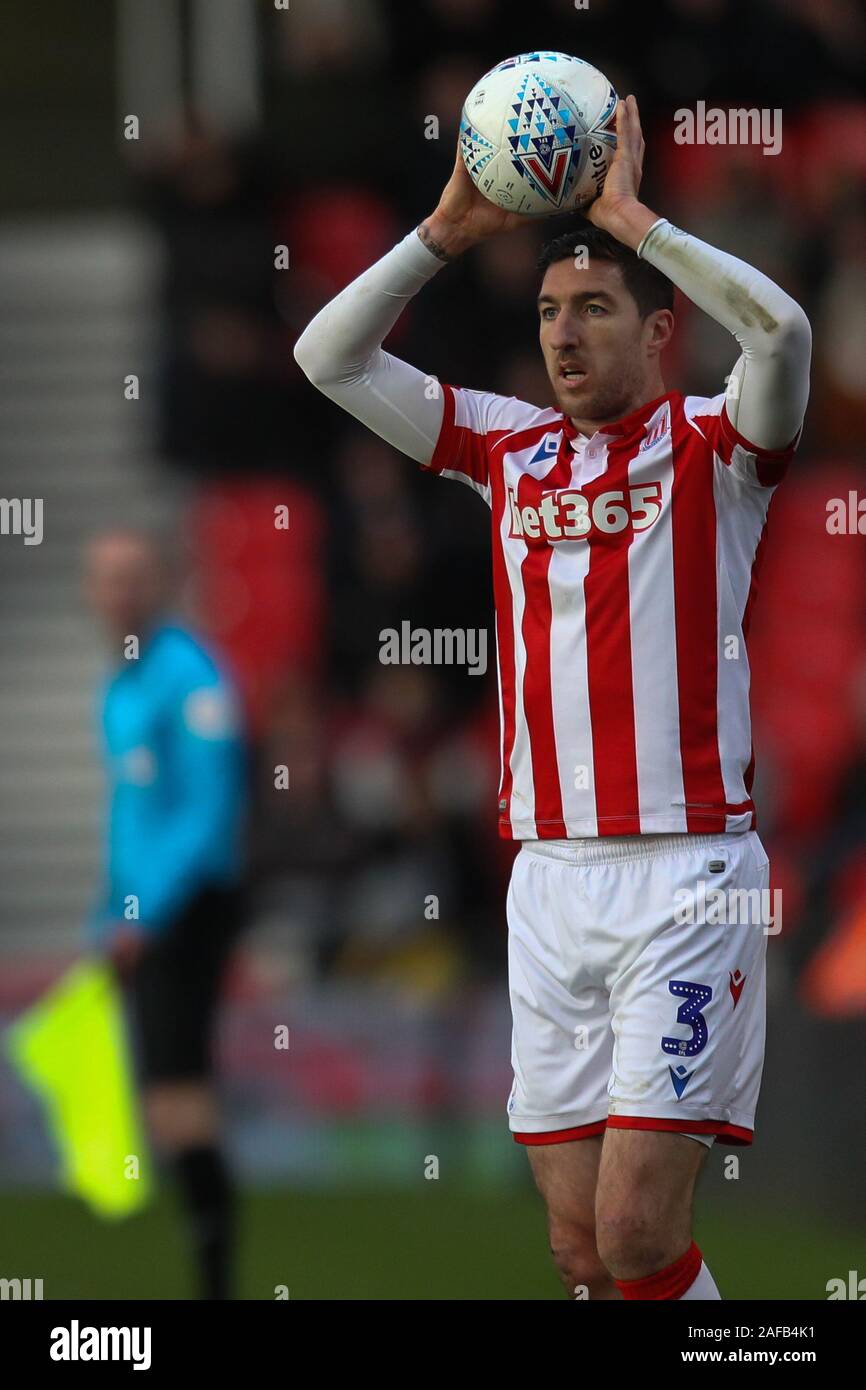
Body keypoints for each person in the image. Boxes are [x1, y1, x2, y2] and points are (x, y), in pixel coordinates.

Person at [293, 96, 812, 1300]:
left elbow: (780, 332)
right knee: (579, 1250)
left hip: (686, 880)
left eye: (593, 309)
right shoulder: (504, 448)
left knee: (636, 1233)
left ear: (659, 331)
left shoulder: (715, 450)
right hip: (549, 883)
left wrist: (635, 218)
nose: (564, 336)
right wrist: (438, 234)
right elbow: (326, 358)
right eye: (545, 315)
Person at [84, 529, 247, 1300]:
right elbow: (129, 816)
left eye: (133, 577)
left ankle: (215, 1281)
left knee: (181, 1096)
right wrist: (107, 915)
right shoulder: (120, 684)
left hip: (188, 908)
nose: (119, 593)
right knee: (166, 1100)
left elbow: (208, 811)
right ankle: (211, 1272)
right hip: (142, 915)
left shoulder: (191, 674)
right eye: (107, 580)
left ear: (162, 583)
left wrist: (143, 915)